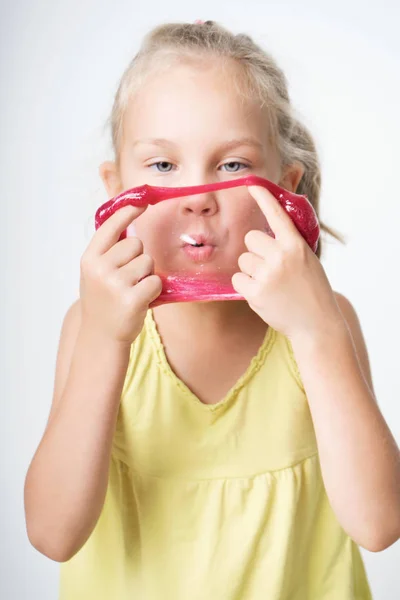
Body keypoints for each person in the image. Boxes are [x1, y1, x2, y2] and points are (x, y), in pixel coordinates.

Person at [24, 20, 400, 599]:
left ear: (285, 187)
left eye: (231, 165)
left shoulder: (324, 324)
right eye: (162, 166)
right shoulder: (92, 328)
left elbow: (379, 526)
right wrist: (104, 340)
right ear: (115, 189)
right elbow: (52, 533)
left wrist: (317, 328)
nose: (198, 197)